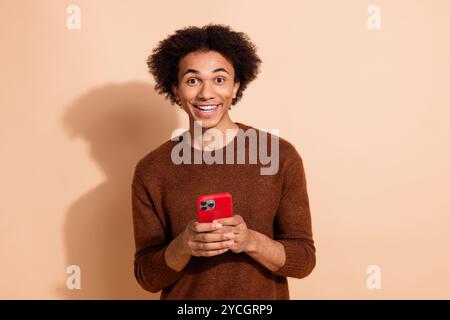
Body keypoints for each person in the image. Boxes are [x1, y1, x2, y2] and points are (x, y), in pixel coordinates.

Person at [131, 24, 316, 300]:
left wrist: (251, 241)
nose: (207, 93)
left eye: (219, 79)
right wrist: (184, 245)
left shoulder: (279, 155)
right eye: (193, 80)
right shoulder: (152, 170)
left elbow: (303, 261)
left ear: (236, 85)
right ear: (176, 88)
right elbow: (147, 276)